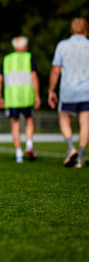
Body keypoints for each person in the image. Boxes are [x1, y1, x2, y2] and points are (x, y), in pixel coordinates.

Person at [48, 17, 89, 168]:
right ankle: (81, 158)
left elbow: (55, 70)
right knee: (85, 124)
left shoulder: (63, 45)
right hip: (87, 91)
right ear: (86, 30)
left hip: (68, 90)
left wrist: (51, 90)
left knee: (64, 120)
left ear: (72, 30)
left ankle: (71, 148)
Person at [0, 36, 41, 163]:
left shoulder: (7, 59)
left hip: (12, 98)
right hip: (27, 96)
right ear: (25, 46)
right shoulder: (29, 57)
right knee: (29, 121)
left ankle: (18, 153)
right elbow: (34, 76)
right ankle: (29, 145)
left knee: (15, 124)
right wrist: (37, 95)